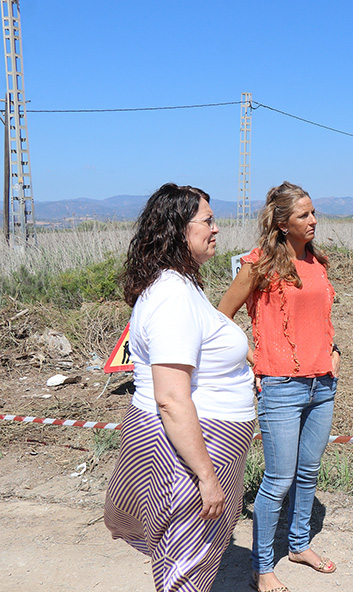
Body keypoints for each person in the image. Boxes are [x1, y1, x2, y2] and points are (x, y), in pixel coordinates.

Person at [104, 183, 256, 592]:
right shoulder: (172, 294)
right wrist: (206, 476)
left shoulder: (178, 285)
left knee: (186, 558)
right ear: (177, 229)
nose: (216, 229)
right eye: (208, 221)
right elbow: (171, 398)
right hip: (192, 448)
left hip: (201, 439)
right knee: (184, 570)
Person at [219, 182, 339, 592]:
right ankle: (262, 565)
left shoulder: (317, 261)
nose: (313, 220)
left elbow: (321, 318)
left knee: (308, 473)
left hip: (322, 384)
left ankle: (300, 545)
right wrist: (254, 356)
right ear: (283, 222)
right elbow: (221, 318)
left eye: (313, 212)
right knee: (279, 480)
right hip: (281, 388)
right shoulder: (257, 265)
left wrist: (335, 352)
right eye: (304, 215)